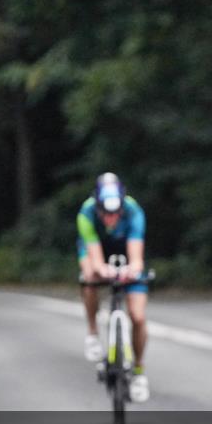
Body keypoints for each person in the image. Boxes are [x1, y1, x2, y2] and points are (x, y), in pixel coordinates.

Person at [77, 172, 150, 403]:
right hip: (98, 249)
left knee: (138, 317)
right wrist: (101, 269)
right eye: (105, 213)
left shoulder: (134, 212)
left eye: (115, 213)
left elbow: (136, 257)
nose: (110, 218)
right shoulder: (86, 214)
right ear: (97, 206)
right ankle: (92, 332)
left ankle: (138, 371)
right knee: (89, 277)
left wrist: (132, 270)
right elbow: (95, 259)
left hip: (125, 249)